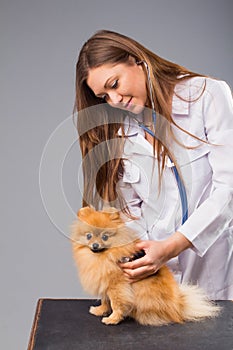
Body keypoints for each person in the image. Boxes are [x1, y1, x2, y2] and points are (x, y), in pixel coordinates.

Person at [74, 29, 233, 299]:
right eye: (104, 96)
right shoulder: (120, 133)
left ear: (137, 60)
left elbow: (228, 188)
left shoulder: (206, 96)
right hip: (157, 282)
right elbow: (131, 213)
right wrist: (135, 258)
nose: (114, 101)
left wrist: (171, 246)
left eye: (114, 84)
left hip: (216, 270)